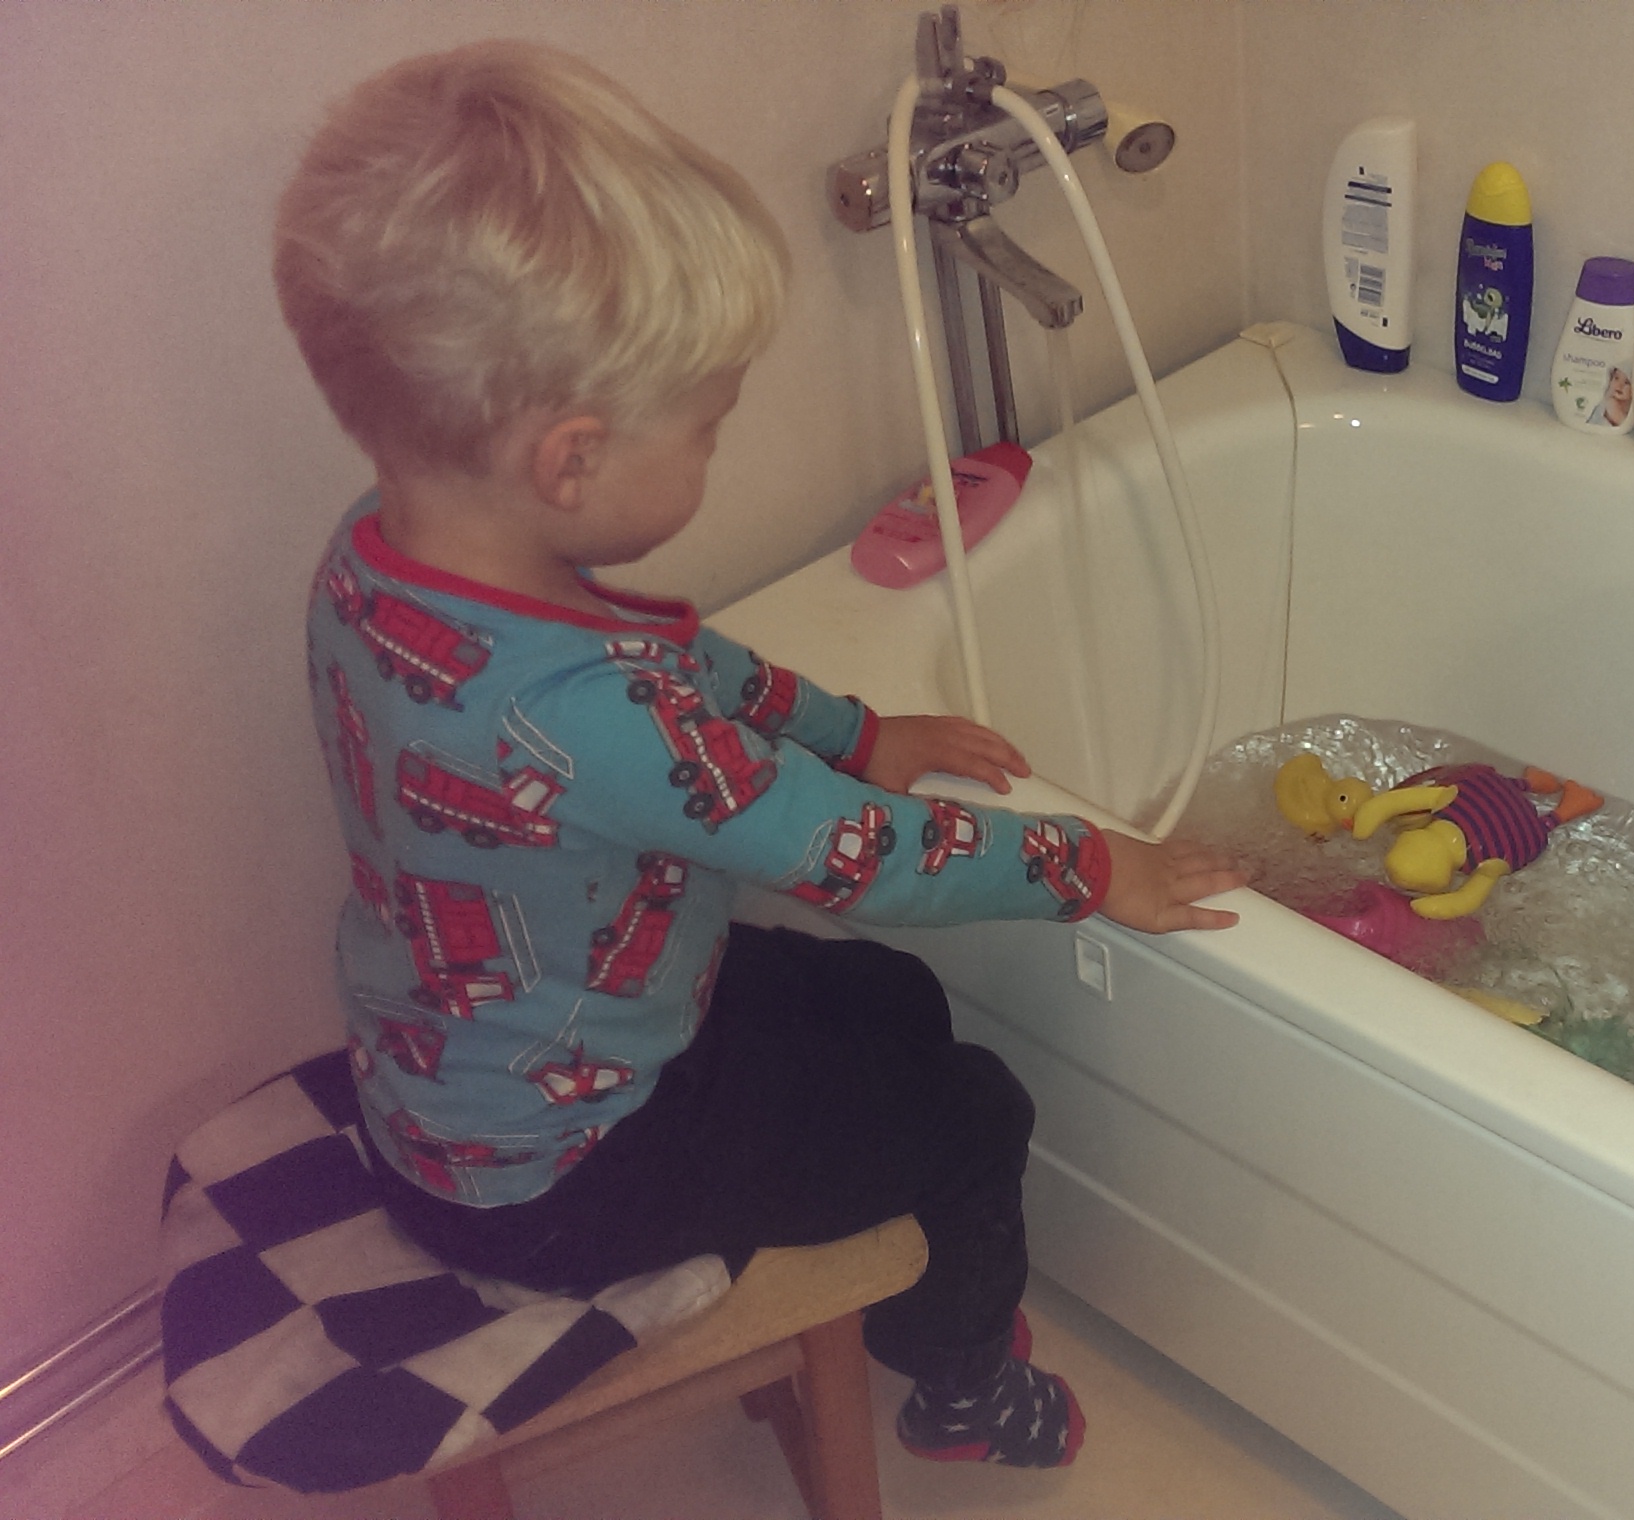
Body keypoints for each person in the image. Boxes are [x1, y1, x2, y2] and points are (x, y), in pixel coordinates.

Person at [276, 41, 1244, 1470]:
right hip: (565, 1177)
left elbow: (672, 665)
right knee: (973, 1112)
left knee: (891, 1003)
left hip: (474, 1078)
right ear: (571, 462)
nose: (717, 446)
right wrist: (1092, 864)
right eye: (709, 425)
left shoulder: (380, 559)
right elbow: (866, 860)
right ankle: (964, 1382)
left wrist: (859, 730)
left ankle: (898, 1264)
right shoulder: (591, 714)